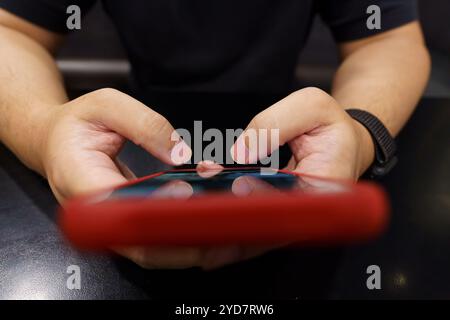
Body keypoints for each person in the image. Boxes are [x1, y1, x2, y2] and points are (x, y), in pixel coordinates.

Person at [0, 0, 430, 269]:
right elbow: (11, 30)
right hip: (133, 139)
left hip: (295, 136)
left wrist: (358, 132)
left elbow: (387, 41)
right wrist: (43, 130)